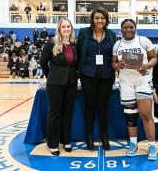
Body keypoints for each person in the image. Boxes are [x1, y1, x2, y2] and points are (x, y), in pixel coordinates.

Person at [112, 19, 158, 160]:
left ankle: (151, 145)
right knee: (130, 116)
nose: (128, 30)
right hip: (126, 82)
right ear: (121, 29)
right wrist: (117, 65)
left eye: (131, 27)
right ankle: (133, 144)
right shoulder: (117, 44)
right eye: (125, 28)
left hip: (142, 80)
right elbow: (113, 63)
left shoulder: (143, 40)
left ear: (135, 27)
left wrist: (146, 66)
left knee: (145, 114)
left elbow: (154, 58)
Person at [76, 8, 116, 151]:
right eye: (97, 18)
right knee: (90, 107)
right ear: (92, 19)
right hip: (88, 75)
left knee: (103, 107)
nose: (100, 20)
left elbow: (115, 55)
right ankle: (89, 137)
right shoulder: (84, 32)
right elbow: (79, 52)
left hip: (106, 76)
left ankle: (105, 137)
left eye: (103, 18)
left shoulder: (112, 34)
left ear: (106, 20)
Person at [40, 17, 78, 156]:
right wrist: (50, 77)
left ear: (71, 29)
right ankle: (53, 143)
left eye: (68, 26)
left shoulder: (74, 44)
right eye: (64, 27)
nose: (66, 29)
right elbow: (43, 63)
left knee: (67, 113)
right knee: (55, 114)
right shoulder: (51, 43)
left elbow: (75, 64)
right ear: (59, 28)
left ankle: (66, 140)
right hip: (55, 84)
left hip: (71, 84)